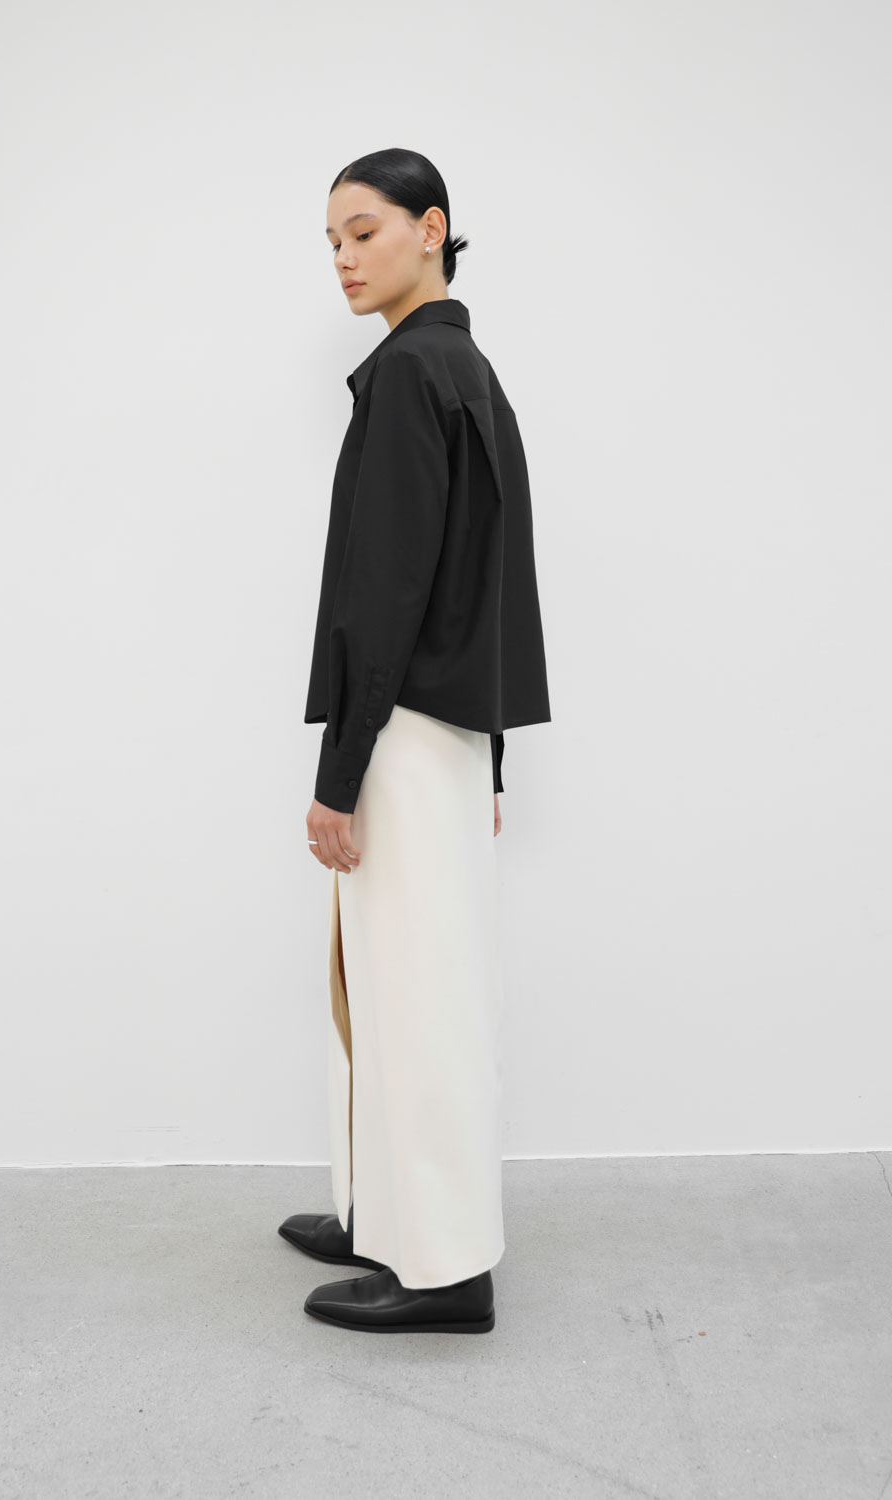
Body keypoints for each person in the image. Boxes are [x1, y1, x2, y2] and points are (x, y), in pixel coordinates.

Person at [279, 147, 550, 1334]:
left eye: (364, 231)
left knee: (415, 995)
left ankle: (444, 1272)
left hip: (399, 731)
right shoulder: (461, 366)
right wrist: (487, 756)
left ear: (430, 229)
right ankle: (378, 1212)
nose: (342, 258)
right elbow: (483, 585)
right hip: (442, 733)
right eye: (331, 241)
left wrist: (337, 776)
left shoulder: (408, 376)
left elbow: (385, 595)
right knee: (389, 982)